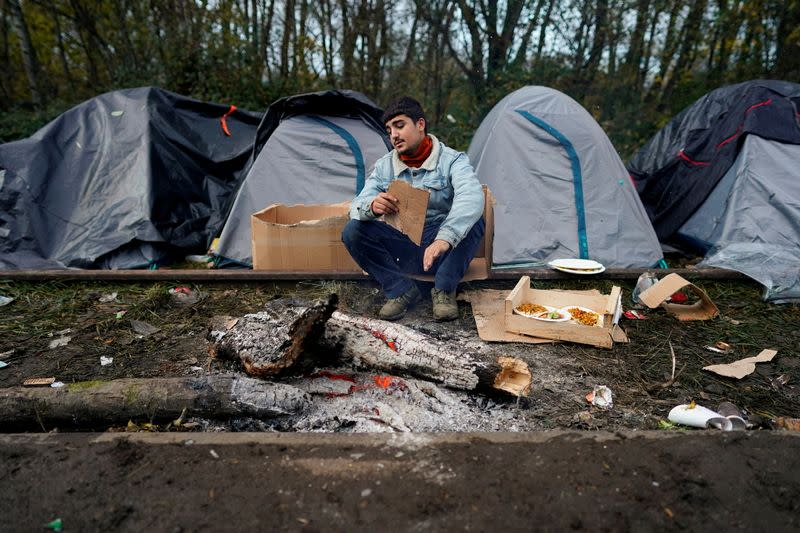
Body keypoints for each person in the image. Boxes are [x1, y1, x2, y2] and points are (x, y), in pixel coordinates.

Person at [342, 96, 485, 321]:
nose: (394, 135)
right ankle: (401, 290)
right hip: (406, 247)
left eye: (400, 126)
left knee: (476, 219)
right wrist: (372, 205)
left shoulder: (452, 160)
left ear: (420, 125)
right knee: (353, 229)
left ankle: (445, 289)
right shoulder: (384, 166)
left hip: (445, 250)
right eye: (389, 130)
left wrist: (444, 239)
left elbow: (472, 197)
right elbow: (355, 206)